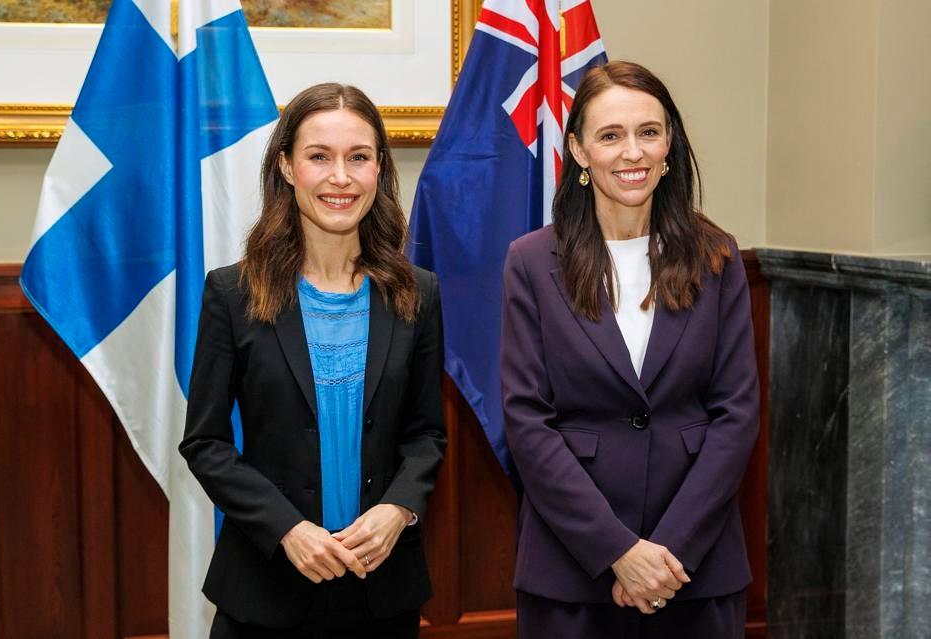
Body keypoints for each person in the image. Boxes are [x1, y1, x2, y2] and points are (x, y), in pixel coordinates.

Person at [500, 60, 759, 638]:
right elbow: (527, 422)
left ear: (670, 144)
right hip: (572, 570)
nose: (632, 152)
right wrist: (619, 551)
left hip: (695, 567)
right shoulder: (531, 262)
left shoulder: (717, 256)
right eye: (610, 136)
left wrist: (665, 554)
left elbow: (736, 415)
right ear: (580, 151)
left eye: (649, 132)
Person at [180, 82, 446, 639]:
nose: (340, 178)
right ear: (286, 166)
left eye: (359, 158)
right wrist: (285, 529)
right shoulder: (232, 294)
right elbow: (205, 443)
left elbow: (426, 437)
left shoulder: (417, 294)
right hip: (266, 590)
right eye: (319, 157)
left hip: (382, 591)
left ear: (380, 169)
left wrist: (398, 509)